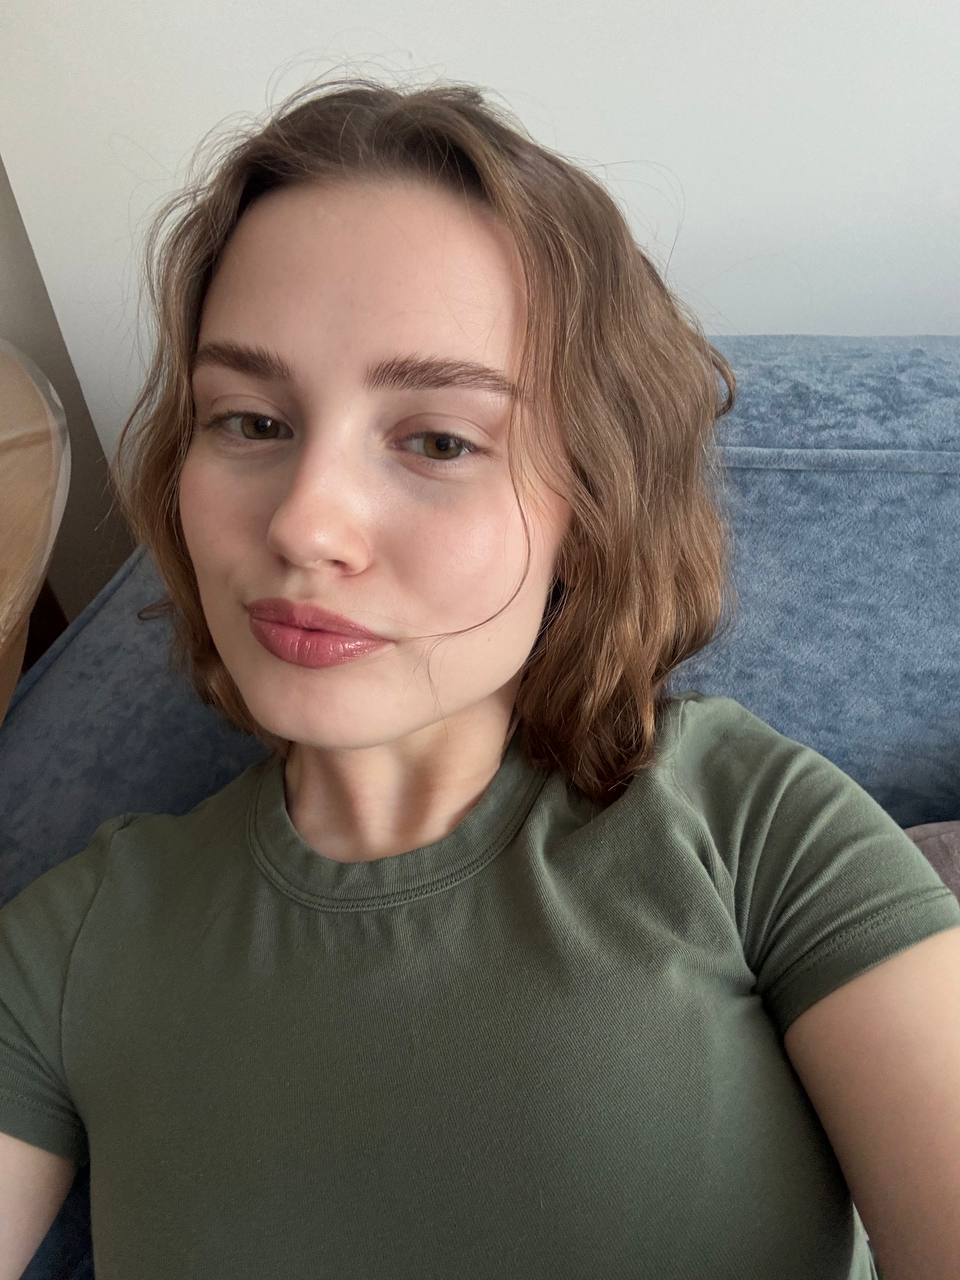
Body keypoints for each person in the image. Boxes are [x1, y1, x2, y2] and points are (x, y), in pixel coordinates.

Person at [1, 75, 957, 1280]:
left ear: (590, 510)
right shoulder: (72, 942)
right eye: (250, 421)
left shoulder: (753, 826)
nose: (304, 523)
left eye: (440, 440)